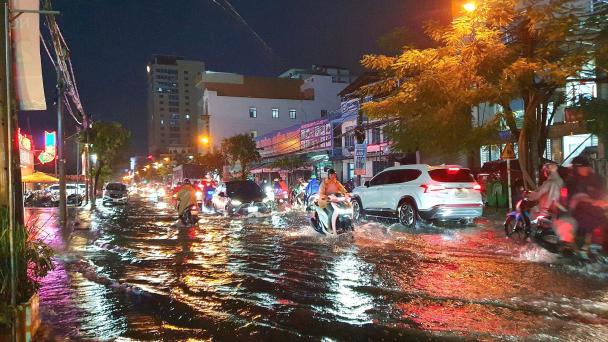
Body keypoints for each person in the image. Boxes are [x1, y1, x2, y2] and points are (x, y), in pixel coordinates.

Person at [565, 156, 607, 253]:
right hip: (579, 211)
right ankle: (580, 249)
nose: (583, 170)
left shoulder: (597, 178)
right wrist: (594, 201)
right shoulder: (573, 180)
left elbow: (602, 192)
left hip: (597, 210)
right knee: (584, 225)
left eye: (584, 167)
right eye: (579, 168)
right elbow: (577, 196)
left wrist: (602, 201)